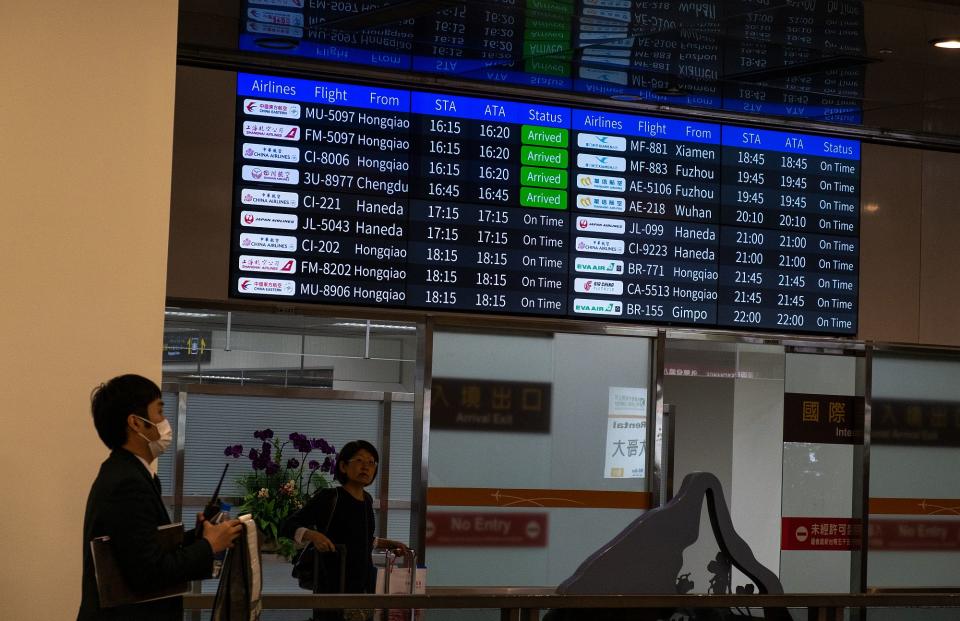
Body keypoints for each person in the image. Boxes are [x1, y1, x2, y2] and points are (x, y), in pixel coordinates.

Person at [78, 374, 242, 621]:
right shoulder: (127, 482)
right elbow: (148, 572)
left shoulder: (131, 473)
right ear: (136, 423)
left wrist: (197, 537)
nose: (165, 422)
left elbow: (144, 546)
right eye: (159, 412)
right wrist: (209, 546)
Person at [281, 440, 407, 596]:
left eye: (371, 462)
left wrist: (387, 543)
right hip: (331, 584)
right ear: (343, 466)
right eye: (359, 460)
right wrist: (313, 535)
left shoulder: (367, 500)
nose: (366, 466)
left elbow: (356, 536)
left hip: (363, 586)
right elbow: (287, 525)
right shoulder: (329, 497)